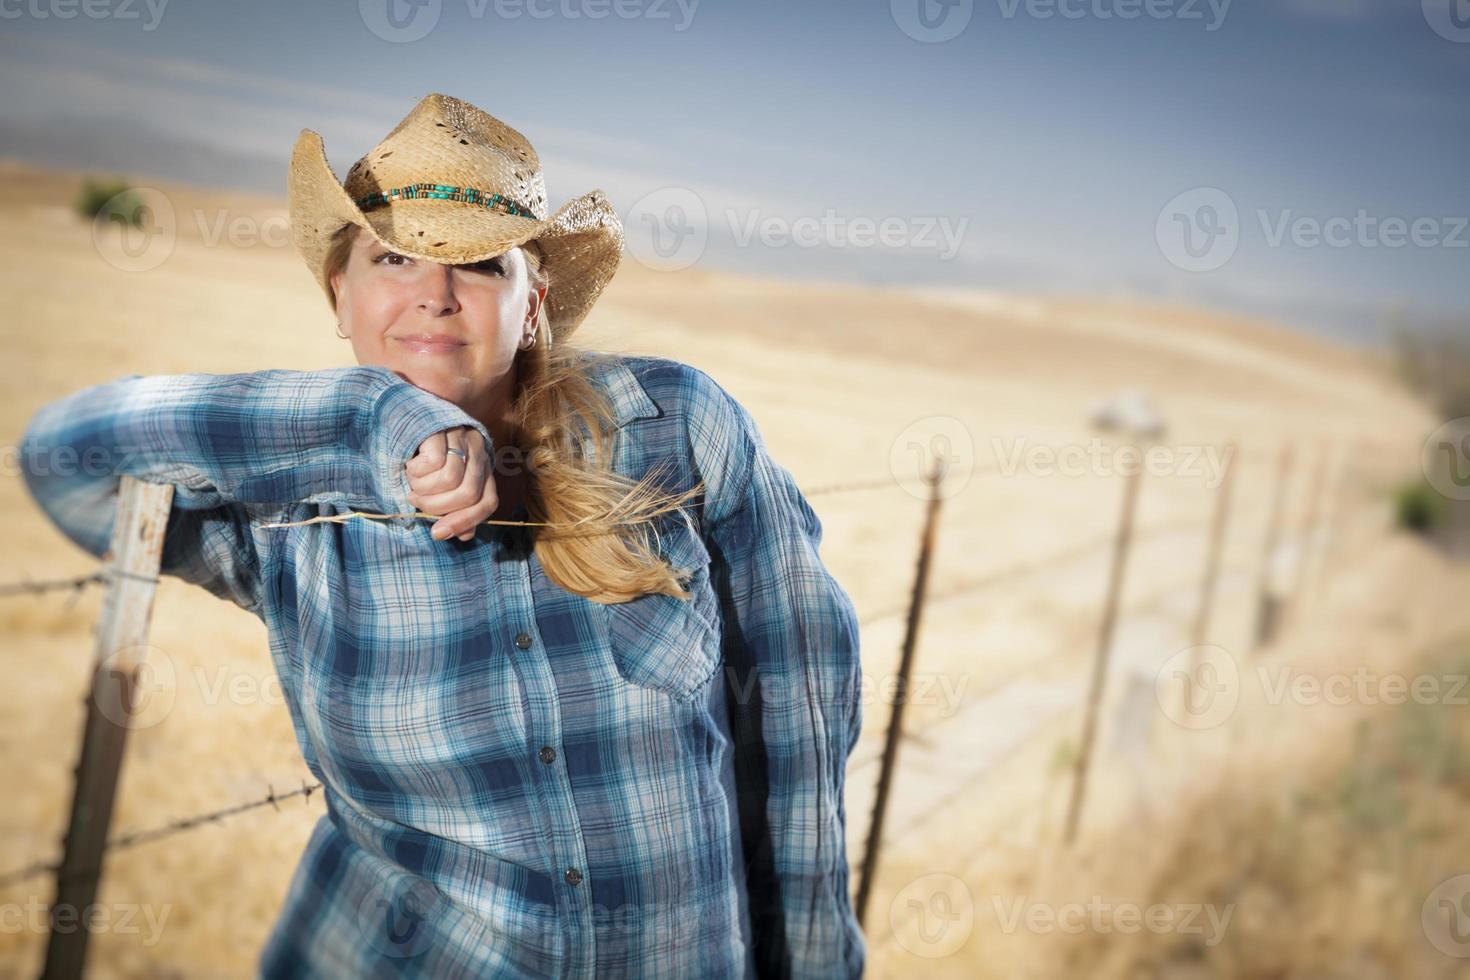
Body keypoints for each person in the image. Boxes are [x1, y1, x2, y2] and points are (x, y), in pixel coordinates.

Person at [20, 92, 866, 979]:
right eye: (393, 256)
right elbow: (60, 454)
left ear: (531, 302)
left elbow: (800, 708)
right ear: (340, 295)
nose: (433, 295)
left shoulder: (672, 425)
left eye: (478, 265)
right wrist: (371, 416)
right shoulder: (287, 512)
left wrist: (810, 961)